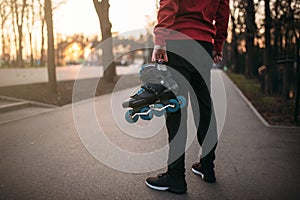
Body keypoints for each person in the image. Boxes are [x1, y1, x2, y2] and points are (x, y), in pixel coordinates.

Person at [145, 0, 230, 194]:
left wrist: (160, 39)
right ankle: (207, 167)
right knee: (204, 106)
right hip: (204, 45)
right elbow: (223, 12)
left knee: (175, 109)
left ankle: (175, 176)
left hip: (178, 41)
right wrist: (218, 44)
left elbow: (169, 2)